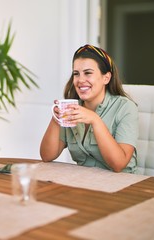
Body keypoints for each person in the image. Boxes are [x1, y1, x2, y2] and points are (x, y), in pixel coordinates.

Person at [40, 44, 138, 173]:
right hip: (84, 182)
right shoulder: (72, 109)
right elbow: (47, 156)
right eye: (76, 74)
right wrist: (56, 119)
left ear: (106, 78)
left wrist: (95, 120)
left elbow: (119, 164)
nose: (80, 80)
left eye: (88, 73)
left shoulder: (125, 107)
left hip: (121, 184)